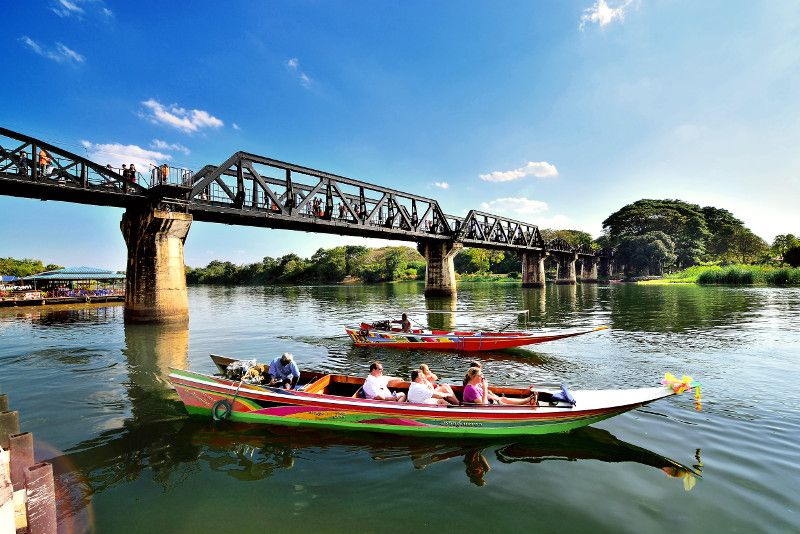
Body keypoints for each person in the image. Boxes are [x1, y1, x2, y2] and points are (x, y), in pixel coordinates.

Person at [462, 367, 536, 405]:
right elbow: (483, 406)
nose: (483, 376)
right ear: (473, 377)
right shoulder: (470, 389)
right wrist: (485, 388)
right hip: (483, 410)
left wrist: (497, 399)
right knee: (503, 404)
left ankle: (528, 401)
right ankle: (528, 401)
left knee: (503, 399)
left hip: (489, 404)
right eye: (480, 375)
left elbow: (486, 396)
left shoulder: (476, 385)